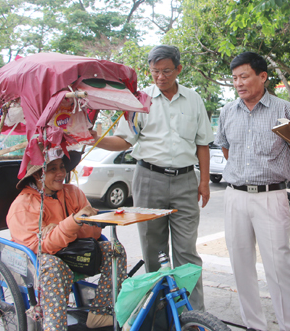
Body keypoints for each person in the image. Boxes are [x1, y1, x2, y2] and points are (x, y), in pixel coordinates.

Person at [91, 45, 213, 310]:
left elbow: (203, 143)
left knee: (187, 253)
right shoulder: (140, 100)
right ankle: (158, 313)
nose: (160, 77)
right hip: (148, 179)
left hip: (185, 180)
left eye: (166, 70)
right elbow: (124, 140)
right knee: (153, 250)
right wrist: (95, 139)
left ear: (179, 69)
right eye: (155, 71)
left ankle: (193, 316)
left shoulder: (193, 99)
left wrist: (204, 182)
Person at [215, 52, 290, 331]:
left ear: (262, 76)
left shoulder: (284, 109)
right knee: (241, 264)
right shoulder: (228, 111)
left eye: (244, 76)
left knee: (279, 265)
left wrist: (276, 176)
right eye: (234, 79)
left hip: (271, 195)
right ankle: (254, 325)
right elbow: (227, 149)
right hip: (235, 195)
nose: (239, 83)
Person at [7, 148, 126, 330]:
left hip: (72, 251)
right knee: (54, 267)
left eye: (62, 167)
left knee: (115, 250)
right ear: (38, 174)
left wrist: (65, 226)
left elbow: (94, 231)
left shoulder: (73, 193)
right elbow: (42, 247)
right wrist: (73, 223)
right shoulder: (23, 206)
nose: (61, 173)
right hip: (38, 262)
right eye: (53, 169)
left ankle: (100, 313)